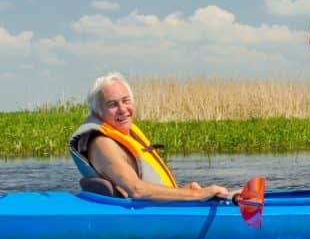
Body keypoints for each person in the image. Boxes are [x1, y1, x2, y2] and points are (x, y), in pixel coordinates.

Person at [69, 72, 232, 201]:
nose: (122, 109)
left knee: (229, 194)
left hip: (156, 209)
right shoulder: (102, 143)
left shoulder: (122, 134)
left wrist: (184, 192)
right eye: (112, 104)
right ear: (97, 111)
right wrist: (199, 195)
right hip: (143, 216)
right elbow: (137, 190)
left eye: (126, 101)